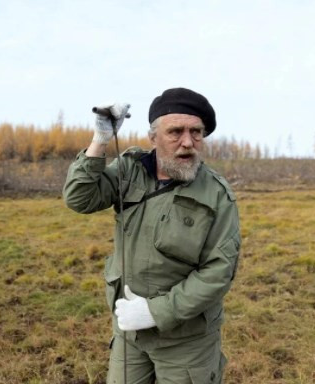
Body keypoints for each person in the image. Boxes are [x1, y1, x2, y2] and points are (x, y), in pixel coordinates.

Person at [63, 88, 240, 383]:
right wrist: (100, 140)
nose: (188, 142)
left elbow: (219, 272)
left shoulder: (216, 195)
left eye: (196, 132)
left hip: (186, 343)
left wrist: (155, 312)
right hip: (129, 332)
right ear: (153, 138)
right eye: (176, 132)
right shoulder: (130, 170)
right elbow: (79, 198)